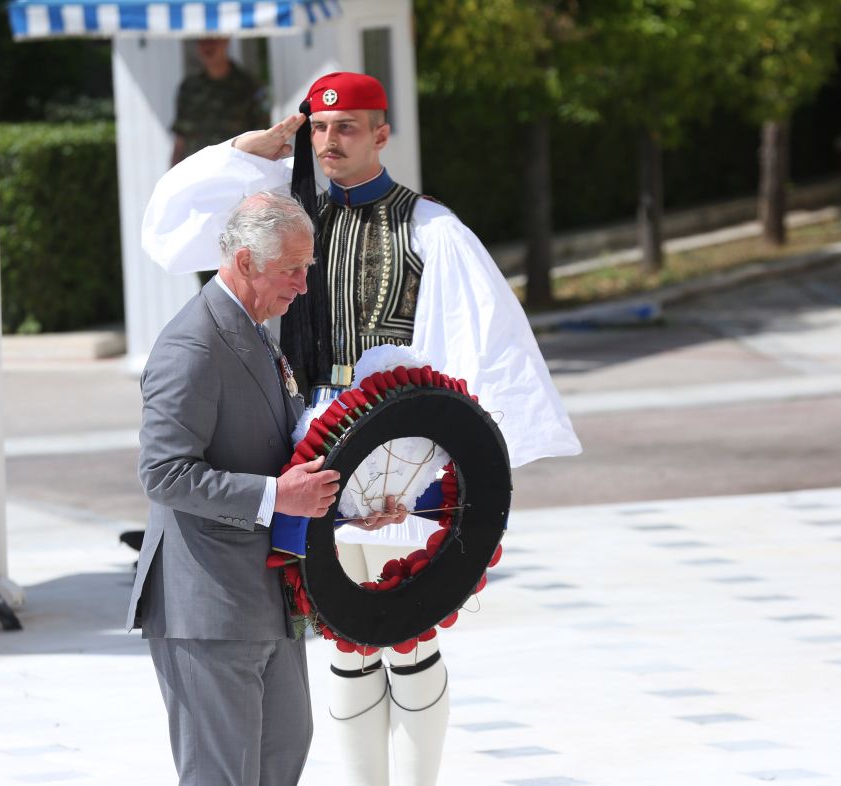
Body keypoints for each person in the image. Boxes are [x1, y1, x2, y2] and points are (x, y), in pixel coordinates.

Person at [141, 72, 582, 786]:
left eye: (346, 127)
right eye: (318, 128)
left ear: (382, 132)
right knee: (343, 639)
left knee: (407, 635)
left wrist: (447, 472)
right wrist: (245, 151)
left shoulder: (427, 226)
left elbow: (476, 342)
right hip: (305, 452)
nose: (328, 141)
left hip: (400, 450)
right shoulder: (279, 210)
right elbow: (168, 229)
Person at [126, 191, 334, 786]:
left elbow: (282, 449)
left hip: (266, 600)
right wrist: (277, 497)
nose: (301, 285)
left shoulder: (256, 329)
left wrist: (345, 501)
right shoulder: (192, 344)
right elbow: (163, 472)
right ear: (245, 262)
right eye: (291, 269)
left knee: (283, 757)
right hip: (208, 606)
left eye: (306, 268)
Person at [170, 37, 270, 168]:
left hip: (236, 173)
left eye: (213, 40)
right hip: (196, 172)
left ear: (226, 41)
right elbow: (180, 139)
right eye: (202, 41)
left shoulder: (249, 86)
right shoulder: (189, 88)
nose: (207, 47)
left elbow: (262, 138)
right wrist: (173, 173)